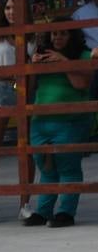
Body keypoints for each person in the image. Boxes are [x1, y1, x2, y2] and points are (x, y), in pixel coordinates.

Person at [23, 20, 91, 229]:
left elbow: (81, 84)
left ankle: (65, 212)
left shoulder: (83, 55)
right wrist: (32, 68)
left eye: (63, 34)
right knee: (45, 166)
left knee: (67, 165)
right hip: (41, 120)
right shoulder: (44, 55)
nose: (57, 38)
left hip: (71, 120)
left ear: (72, 36)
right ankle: (43, 212)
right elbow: (26, 88)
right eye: (54, 34)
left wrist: (62, 61)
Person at [0, 0, 35, 223]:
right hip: (1, 89)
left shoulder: (32, 34)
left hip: (25, 90)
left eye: (16, 7)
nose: (12, 11)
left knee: (26, 150)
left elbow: (34, 67)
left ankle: (25, 204)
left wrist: (27, 86)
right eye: (8, 7)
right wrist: (19, 73)